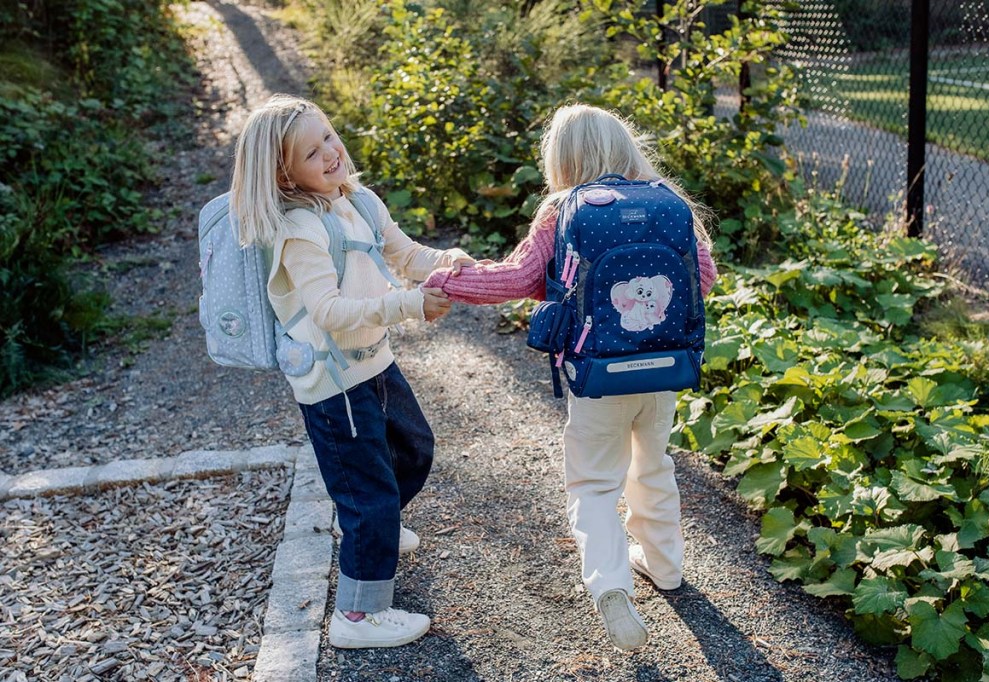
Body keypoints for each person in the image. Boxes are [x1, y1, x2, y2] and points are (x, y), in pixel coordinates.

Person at [423, 104, 718, 651]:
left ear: (561, 160)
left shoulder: (562, 210)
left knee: (594, 481)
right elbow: (704, 278)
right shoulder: (667, 202)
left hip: (598, 377)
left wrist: (448, 280)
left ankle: (610, 587)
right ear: (625, 146)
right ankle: (667, 567)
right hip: (664, 369)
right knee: (653, 464)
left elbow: (516, 278)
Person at [231, 94, 475, 648]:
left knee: (414, 448)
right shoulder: (299, 229)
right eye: (312, 152)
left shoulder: (357, 200)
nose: (331, 153)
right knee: (368, 490)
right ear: (283, 174)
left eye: (330, 137)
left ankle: (371, 529)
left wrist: (444, 261)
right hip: (333, 379)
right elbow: (328, 313)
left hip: (373, 361)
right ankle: (357, 617)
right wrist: (409, 306)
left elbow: (405, 255)